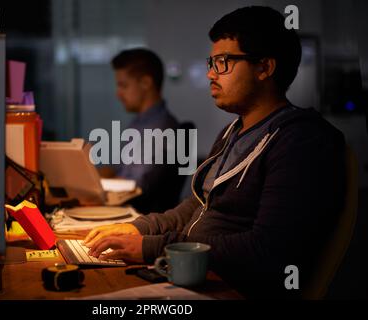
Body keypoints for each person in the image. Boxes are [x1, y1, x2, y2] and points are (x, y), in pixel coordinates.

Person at [84, 6, 346, 299]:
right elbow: (194, 207)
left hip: (231, 289)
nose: (210, 73)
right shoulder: (233, 132)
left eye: (223, 62)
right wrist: (136, 228)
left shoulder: (300, 141)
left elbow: (267, 248)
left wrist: (151, 247)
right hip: (193, 274)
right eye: (212, 62)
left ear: (264, 67)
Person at [102, 48, 181, 214]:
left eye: (123, 85)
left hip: (134, 214)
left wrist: (92, 186)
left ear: (146, 83)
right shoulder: (140, 122)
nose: (118, 94)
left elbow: (133, 186)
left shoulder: (161, 128)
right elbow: (118, 169)